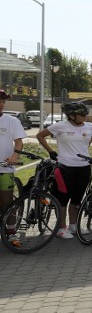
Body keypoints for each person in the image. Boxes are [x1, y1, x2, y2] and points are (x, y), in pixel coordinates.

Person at [36, 101, 92, 239]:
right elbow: (40, 135)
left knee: (76, 199)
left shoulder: (90, 126)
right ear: (71, 115)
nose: (85, 115)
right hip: (65, 167)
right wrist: (51, 151)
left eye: (86, 113)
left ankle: (73, 225)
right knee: (62, 199)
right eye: (82, 113)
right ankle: (60, 228)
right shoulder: (60, 126)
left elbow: (88, 142)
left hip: (84, 167)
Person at [0, 89, 26, 237]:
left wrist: (14, 156)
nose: (1, 104)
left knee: (6, 201)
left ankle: (11, 232)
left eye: (3, 102)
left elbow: (19, 142)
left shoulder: (11, 121)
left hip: (4, 167)